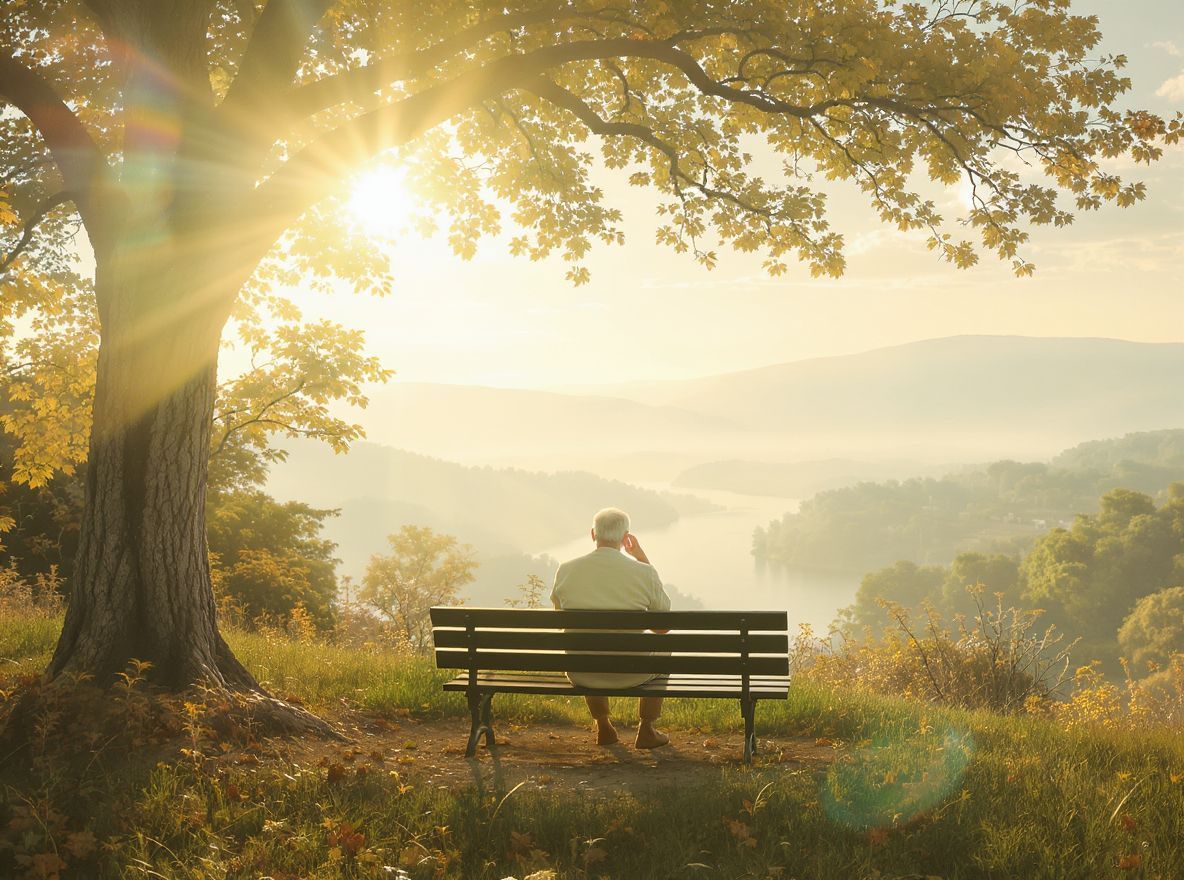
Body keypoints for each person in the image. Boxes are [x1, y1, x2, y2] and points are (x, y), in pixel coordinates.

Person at [550, 507, 671, 749]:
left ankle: (604, 726)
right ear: (626, 537)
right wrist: (642, 558)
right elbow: (662, 628)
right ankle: (646, 729)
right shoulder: (643, 573)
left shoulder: (566, 570)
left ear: (593, 534)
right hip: (633, 672)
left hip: (583, 672)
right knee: (664, 649)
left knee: (585, 643)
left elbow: (559, 616)